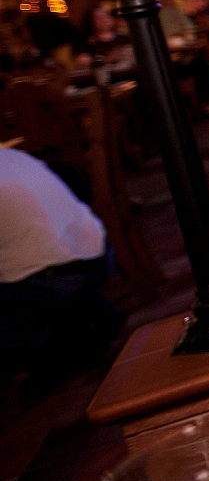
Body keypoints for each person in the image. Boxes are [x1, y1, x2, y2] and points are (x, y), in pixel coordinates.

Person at [0, 146, 125, 390]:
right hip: (98, 256)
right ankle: (84, 314)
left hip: (51, 280)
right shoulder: (11, 154)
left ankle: (57, 345)